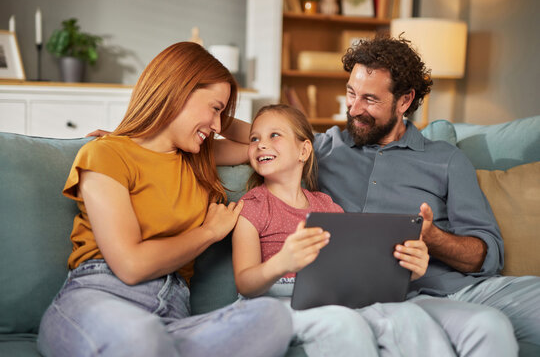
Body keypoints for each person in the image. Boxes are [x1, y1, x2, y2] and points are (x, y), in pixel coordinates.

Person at [36, 42, 293, 357]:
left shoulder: (198, 157)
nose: (216, 126)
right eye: (215, 108)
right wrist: (208, 233)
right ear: (178, 91)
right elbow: (131, 265)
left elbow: (263, 144)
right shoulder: (107, 153)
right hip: (101, 299)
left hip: (172, 315)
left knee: (274, 318)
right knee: (140, 338)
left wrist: (216, 114)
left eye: (221, 114)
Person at [313, 36, 540, 356]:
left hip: (465, 289)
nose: (353, 108)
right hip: (401, 298)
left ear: (404, 101)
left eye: (370, 99)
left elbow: (485, 256)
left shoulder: (446, 159)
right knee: (489, 326)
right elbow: (262, 134)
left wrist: (432, 236)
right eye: (351, 93)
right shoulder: (324, 148)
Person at [232, 104, 456, 357]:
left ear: (304, 150)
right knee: (344, 324)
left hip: (331, 297)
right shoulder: (252, 207)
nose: (260, 144)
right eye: (254, 138)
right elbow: (245, 284)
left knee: (409, 315)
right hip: (276, 302)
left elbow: (357, 270)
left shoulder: (327, 206)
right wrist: (282, 262)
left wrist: (407, 271)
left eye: (274, 135)